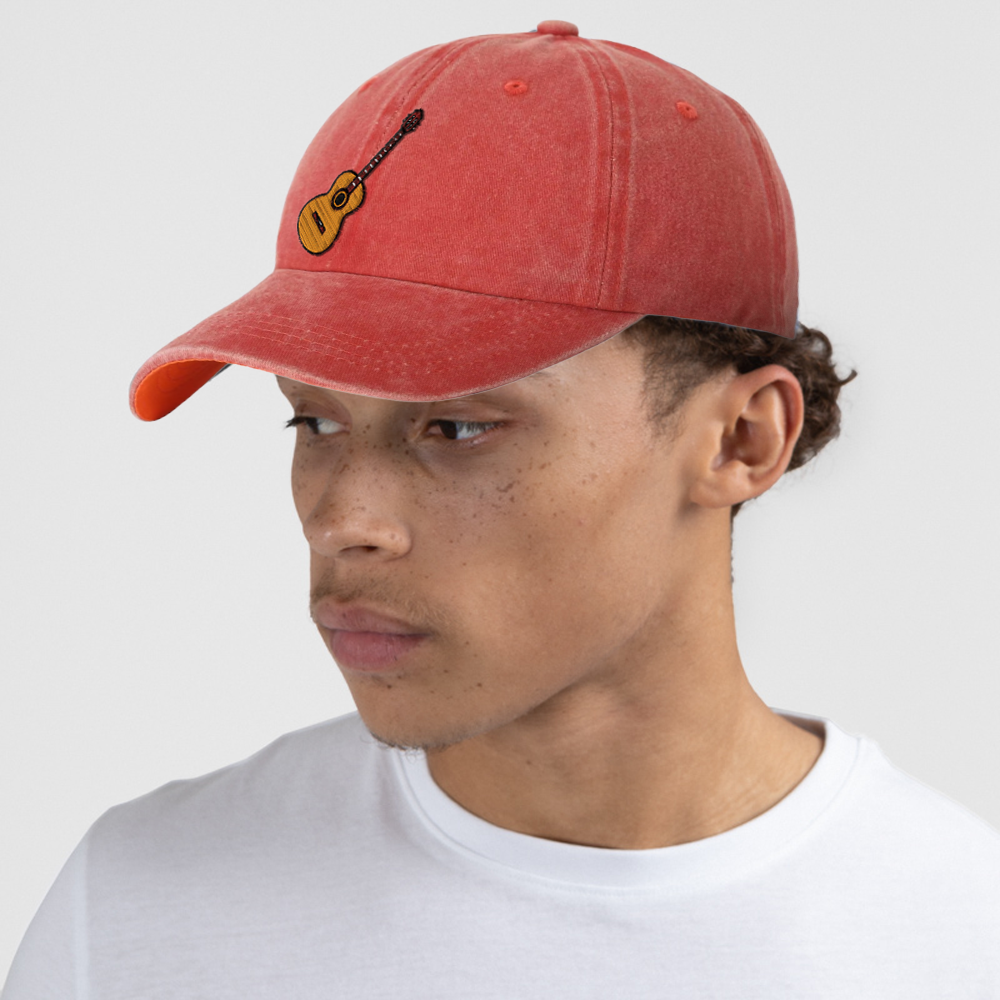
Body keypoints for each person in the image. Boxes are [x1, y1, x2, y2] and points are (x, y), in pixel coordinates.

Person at [4, 20, 998, 999]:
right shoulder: (136, 917)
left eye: (459, 427)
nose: (344, 520)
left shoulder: (959, 942)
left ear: (742, 439)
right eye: (313, 421)